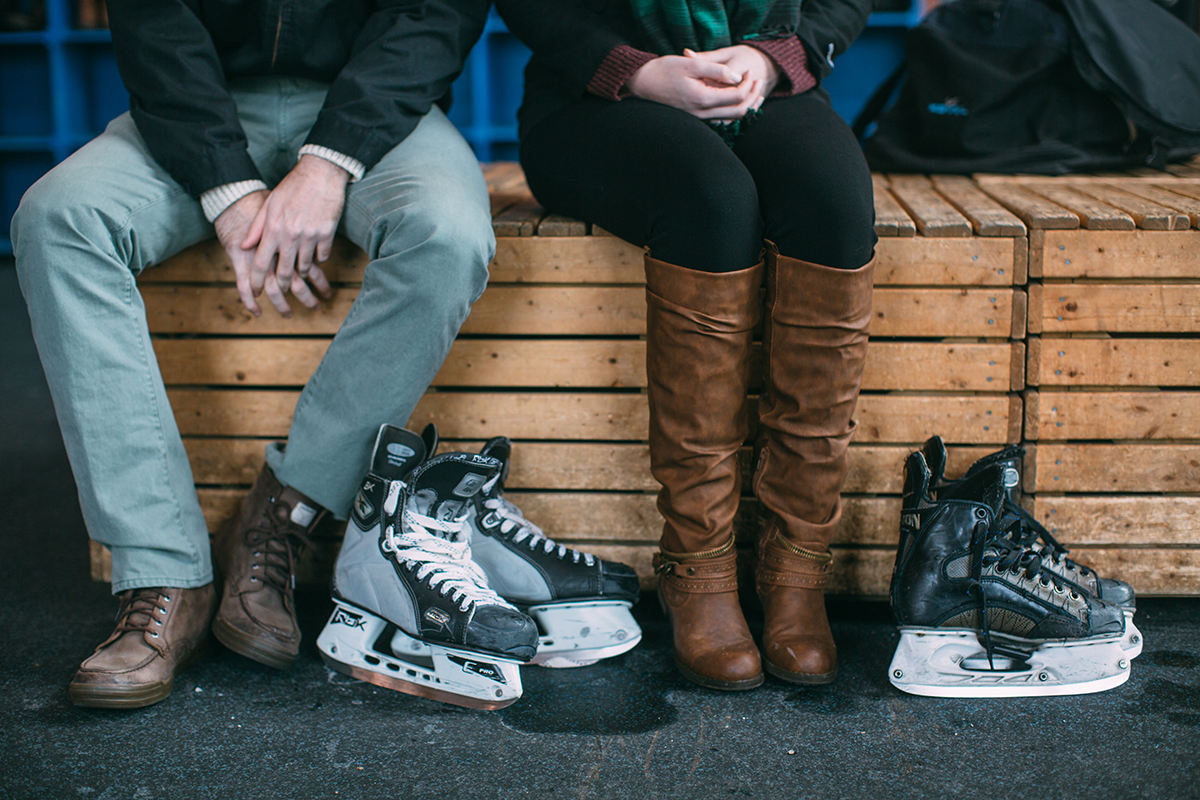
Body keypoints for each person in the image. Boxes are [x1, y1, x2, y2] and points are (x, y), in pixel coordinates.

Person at [11, 0, 496, 708]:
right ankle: (165, 571)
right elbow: (154, 25)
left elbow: (433, 14)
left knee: (446, 236)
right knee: (57, 220)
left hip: (374, 106)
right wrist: (228, 189)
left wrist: (329, 163)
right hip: (199, 105)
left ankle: (283, 515)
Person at [495, 0, 877, 690]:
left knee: (836, 203)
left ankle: (796, 565)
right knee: (712, 196)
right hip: (592, 100)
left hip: (758, 81)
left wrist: (771, 58)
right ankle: (697, 566)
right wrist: (637, 72)